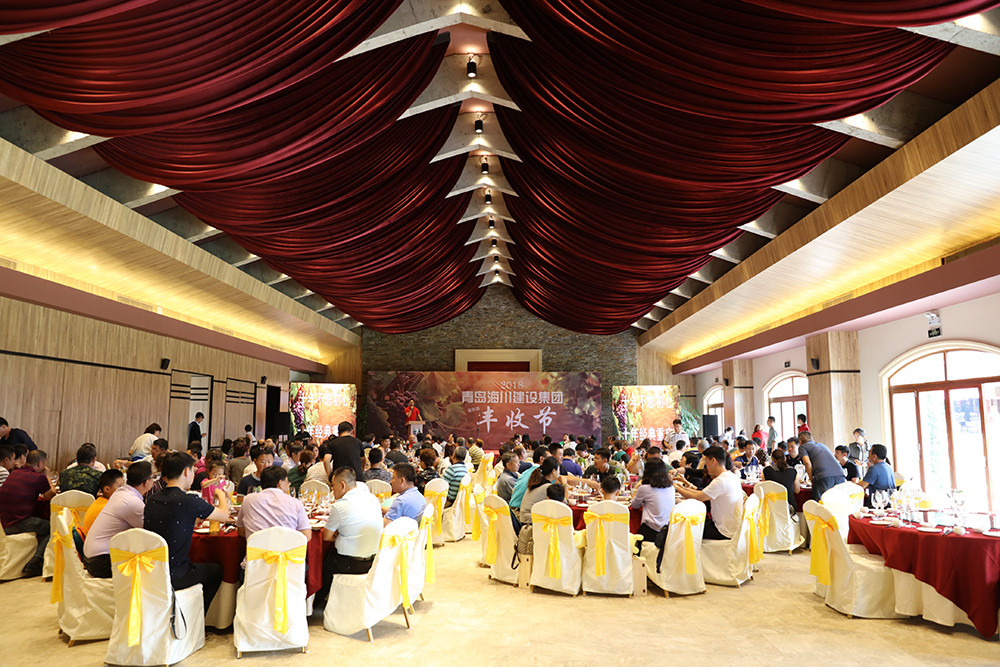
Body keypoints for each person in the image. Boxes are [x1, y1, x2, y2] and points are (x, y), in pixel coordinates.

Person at [144, 452, 229, 612]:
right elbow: (224, 515)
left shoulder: (152, 499)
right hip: (176, 574)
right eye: (192, 470)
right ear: (185, 471)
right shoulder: (189, 501)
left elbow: (173, 518)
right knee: (217, 571)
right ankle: (196, 616)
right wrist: (220, 493)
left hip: (150, 571)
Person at [318, 467, 383, 606]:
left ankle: (316, 603)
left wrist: (338, 535)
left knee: (323, 562)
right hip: (373, 560)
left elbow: (326, 536)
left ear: (342, 485)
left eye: (333, 486)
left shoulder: (340, 506)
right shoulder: (372, 498)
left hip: (350, 563)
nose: (332, 490)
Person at [83, 461, 155, 578]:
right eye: (153, 478)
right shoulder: (131, 502)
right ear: (146, 482)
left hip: (92, 556)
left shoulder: (121, 493)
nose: (154, 481)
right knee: (150, 565)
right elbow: (150, 531)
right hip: (101, 562)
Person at [0, 450, 57, 576]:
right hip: (18, 523)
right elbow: (52, 496)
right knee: (54, 527)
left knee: (41, 524)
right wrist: (47, 475)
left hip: (3, 521)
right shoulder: (39, 477)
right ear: (40, 464)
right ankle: (36, 562)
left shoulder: (14, 473)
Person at [675, 445, 743, 540]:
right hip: (733, 527)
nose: (706, 466)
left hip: (723, 530)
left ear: (713, 461)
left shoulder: (720, 481)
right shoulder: (731, 476)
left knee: (681, 527)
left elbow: (698, 497)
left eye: (706, 462)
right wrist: (680, 487)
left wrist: (675, 487)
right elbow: (701, 493)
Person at [235, 466, 310, 541]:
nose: (288, 485)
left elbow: (241, 531)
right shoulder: (295, 503)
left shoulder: (248, 500)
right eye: (287, 482)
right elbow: (306, 536)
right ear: (280, 483)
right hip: (287, 548)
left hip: (256, 548)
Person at [630, 458, 675, 548]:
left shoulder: (645, 488)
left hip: (651, 530)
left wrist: (636, 488)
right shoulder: (671, 488)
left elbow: (634, 505)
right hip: (668, 530)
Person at [799, 432, 844, 500]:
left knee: (820, 502)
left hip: (824, 477)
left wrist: (811, 479)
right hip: (840, 475)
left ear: (800, 441)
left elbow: (807, 462)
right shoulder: (821, 445)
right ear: (812, 439)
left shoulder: (803, 447)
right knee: (837, 501)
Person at [81, 468, 125, 537]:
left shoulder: (101, 501)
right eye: (119, 486)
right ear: (107, 489)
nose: (124, 489)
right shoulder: (107, 508)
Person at [519, 458, 561, 524]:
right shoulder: (547, 487)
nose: (559, 472)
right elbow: (564, 503)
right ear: (553, 471)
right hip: (530, 522)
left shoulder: (537, 482)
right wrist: (565, 484)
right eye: (558, 470)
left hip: (524, 518)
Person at [763, 450, 800, 515]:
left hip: (771, 507)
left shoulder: (766, 471)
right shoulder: (793, 471)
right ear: (785, 458)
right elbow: (797, 491)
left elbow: (764, 489)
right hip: (789, 508)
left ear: (773, 459)